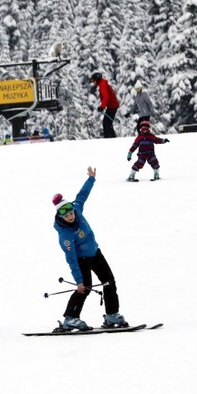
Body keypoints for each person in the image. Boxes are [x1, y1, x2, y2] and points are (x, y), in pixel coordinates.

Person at [52, 166, 127, 331]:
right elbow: (71, 259)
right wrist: (78, 281)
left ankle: (112, 315)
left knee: (109, 282)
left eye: (71, 213)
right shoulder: (65, 235)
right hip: (81, 260)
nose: (71, 217)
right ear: (61, 216)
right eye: (67, 215)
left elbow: (82, 194)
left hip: (95, 253)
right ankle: (70, 318)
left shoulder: (77, 208)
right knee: (84, 288)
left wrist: (91, 179)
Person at [90, 71, 120, 138]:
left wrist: (102, 107)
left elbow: (106, 96)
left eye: (93, 80)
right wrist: (102, 106)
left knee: (107, 123)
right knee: (105, 123)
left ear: (97, 79)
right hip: (111, 106)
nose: (93, 82)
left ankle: (111, 139)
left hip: (113, 106)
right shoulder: (102, 83)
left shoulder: (102, 84)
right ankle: (107, 138)